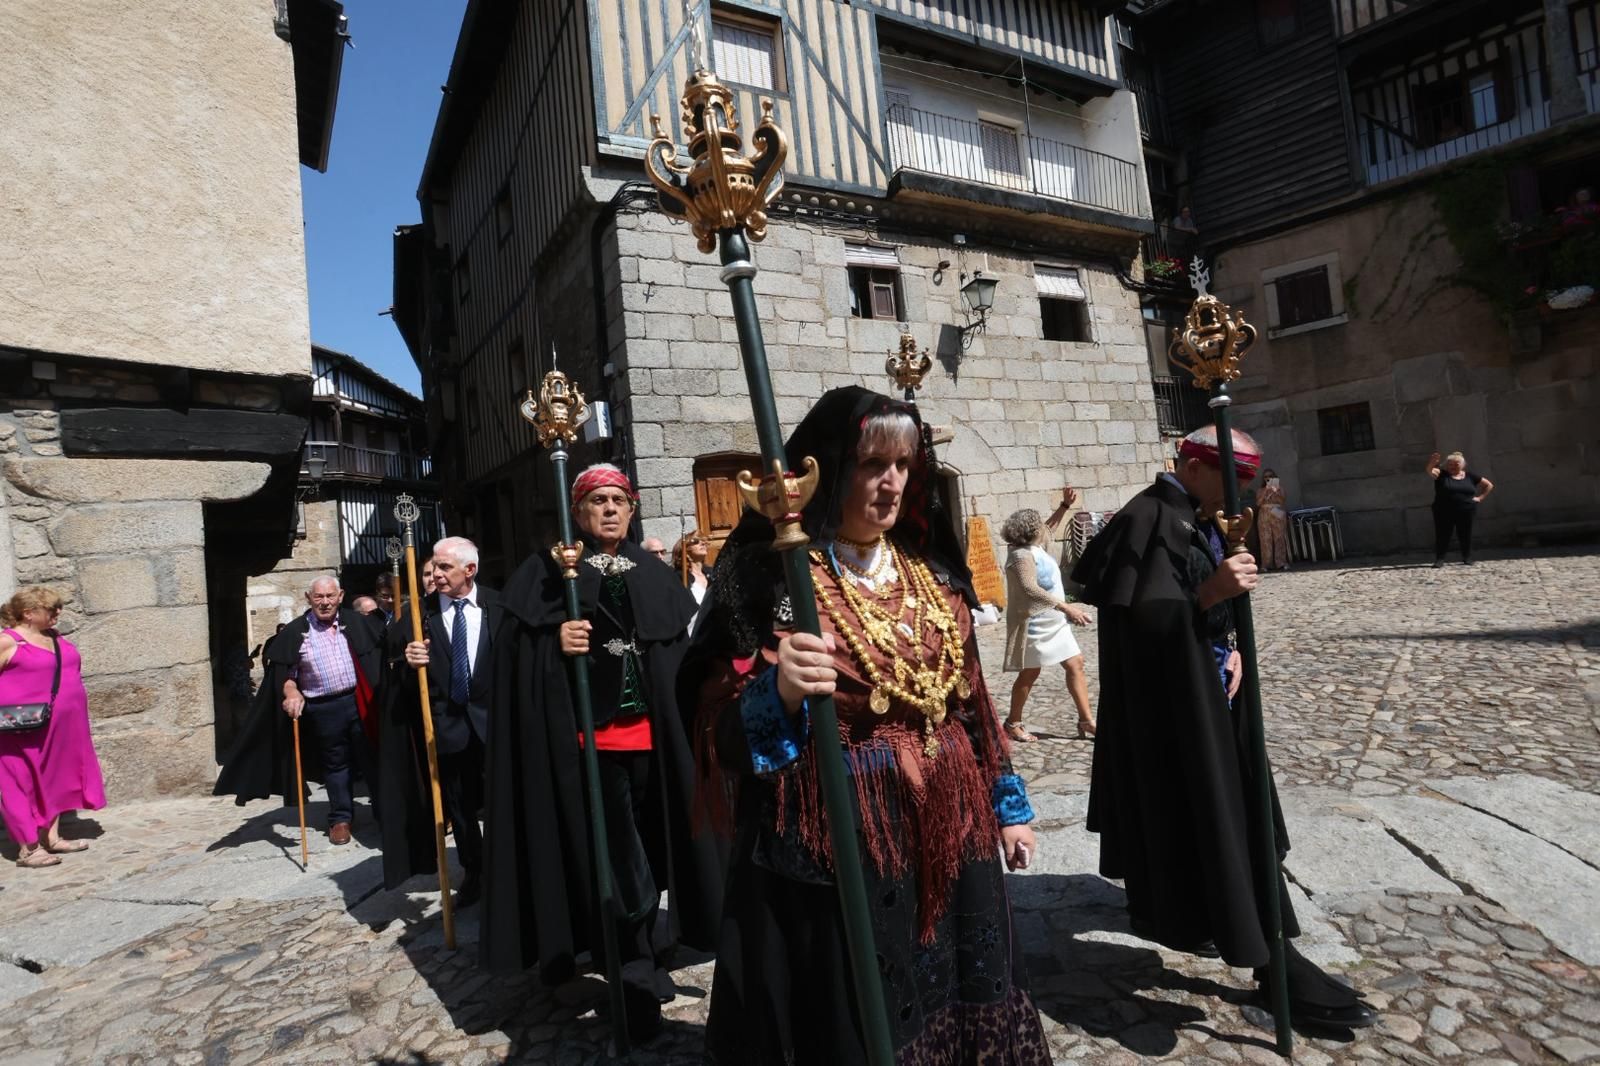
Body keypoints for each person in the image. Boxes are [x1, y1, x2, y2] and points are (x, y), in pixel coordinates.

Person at [683, 387, 1049, 1064]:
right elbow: (715, 725)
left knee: (960, 990)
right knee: (861, 1014)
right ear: (826, 469)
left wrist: (1009, 807)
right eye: (871, 464)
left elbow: (972, 705)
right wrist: (779, 693)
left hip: (952, 828)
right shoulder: (778, 583)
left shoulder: (935, 576)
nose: (891, 483)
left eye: (904, 465)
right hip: (840, 838)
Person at [1072, 425, 1376, 1029]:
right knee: (1216, 821)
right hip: (1177, 718)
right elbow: (1145, 625)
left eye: (1247, 483)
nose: (1241, 495)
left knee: (1239, 819)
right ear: (1191, 466)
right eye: (1233, 481)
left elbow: (1192, 604)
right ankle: (1267, 956)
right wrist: (1210, 596)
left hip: (1212, 696)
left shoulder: (1198, 512)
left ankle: (1240, 932)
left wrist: (1228, 640)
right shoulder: (1147, 518)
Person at [481, 463, 719, 1041]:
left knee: (654, 856)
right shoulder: (546, 572)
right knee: (623, 869)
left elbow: (679, 666)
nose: (610, 509)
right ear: (576, 511)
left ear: (632, 510)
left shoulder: (652, 573)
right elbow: (508, 665)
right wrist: (553, 643)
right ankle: (635, 983)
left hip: (653, 747)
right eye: (598, 501)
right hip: (589, 750)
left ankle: (646, 949)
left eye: (620, 500)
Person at [214, 575, 383, 845]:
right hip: (323, 708)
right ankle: (340, 818)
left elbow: (379, 658)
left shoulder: (358, 624)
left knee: (372, 757)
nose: (325, 602)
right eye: (319, 597)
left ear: (340, 596)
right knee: (336, 764)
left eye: (330, 596)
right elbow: (286, 674)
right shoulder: (295, 632)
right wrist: (291, 692)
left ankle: (385, 814)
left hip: (358, 701)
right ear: (308, 598)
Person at [393, 537, 500, 905]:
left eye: (443, 568)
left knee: (502, 799)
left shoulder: (498, 607)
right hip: (446, 726)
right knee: (459, 805)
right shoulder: (419, 616)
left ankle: (507, 868)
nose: (434, 575)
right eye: (433, 568)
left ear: (469, 570)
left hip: (495, 725)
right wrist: (407, 660)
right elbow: (393, 673)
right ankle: (475, 870)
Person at [0, 587, 105, 868]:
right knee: (18, 783)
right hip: (17, 728)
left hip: (60, 725)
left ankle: (52, 838)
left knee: (53, 778)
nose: (58, 613)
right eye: (51, 609)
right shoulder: (8, 642)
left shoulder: (54, 637)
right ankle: (28, 849)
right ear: (28, 613)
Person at [1001, 494, 1096, 742]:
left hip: (1054, 623)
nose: (1044, 528)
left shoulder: (1034, 546)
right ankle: (1013, 723)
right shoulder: (1020, 555)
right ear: (1030, 532)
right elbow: (1030, 589)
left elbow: (1049, 527)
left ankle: (1086, 721)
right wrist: (1069, 609)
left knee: (1075, 662)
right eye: (1038, 526)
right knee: (1030, 673)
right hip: (1035, 624)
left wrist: (1064, 506)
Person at [1427, 451, 1493, 567]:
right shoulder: (1442, 475)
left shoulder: (1470, 476)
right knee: (1443, 534)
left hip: (1466, 510)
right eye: (1450, 464)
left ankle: (1467, 557)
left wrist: (1480, 498)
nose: (1452, 467)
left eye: (1455, 464)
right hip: (1443, 511)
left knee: (1465, 534)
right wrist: (1431, 464)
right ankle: (1440, 559)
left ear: (1462, 465)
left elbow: (1488, 485)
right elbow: (1430, 471)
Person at [1256, 469, 1290, 572]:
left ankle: (1281, 562)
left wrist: (1276, 491)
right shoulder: (1260, 490)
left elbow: (1283, 500)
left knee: (1279, 538)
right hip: (1264, 513)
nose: (1268, 478)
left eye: (1270, 476)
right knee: (1265, 539)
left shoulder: (1280, 489)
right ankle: (1266, 564)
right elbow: (1258, 503)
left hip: (1277, 512)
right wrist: (1266, 491)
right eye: (1266, 476)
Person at [671, 530, 711, 608]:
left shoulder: (712, 573)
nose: (702, 543)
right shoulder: (680, 577)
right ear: (685, 550)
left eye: (703, 541)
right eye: (696, 541)